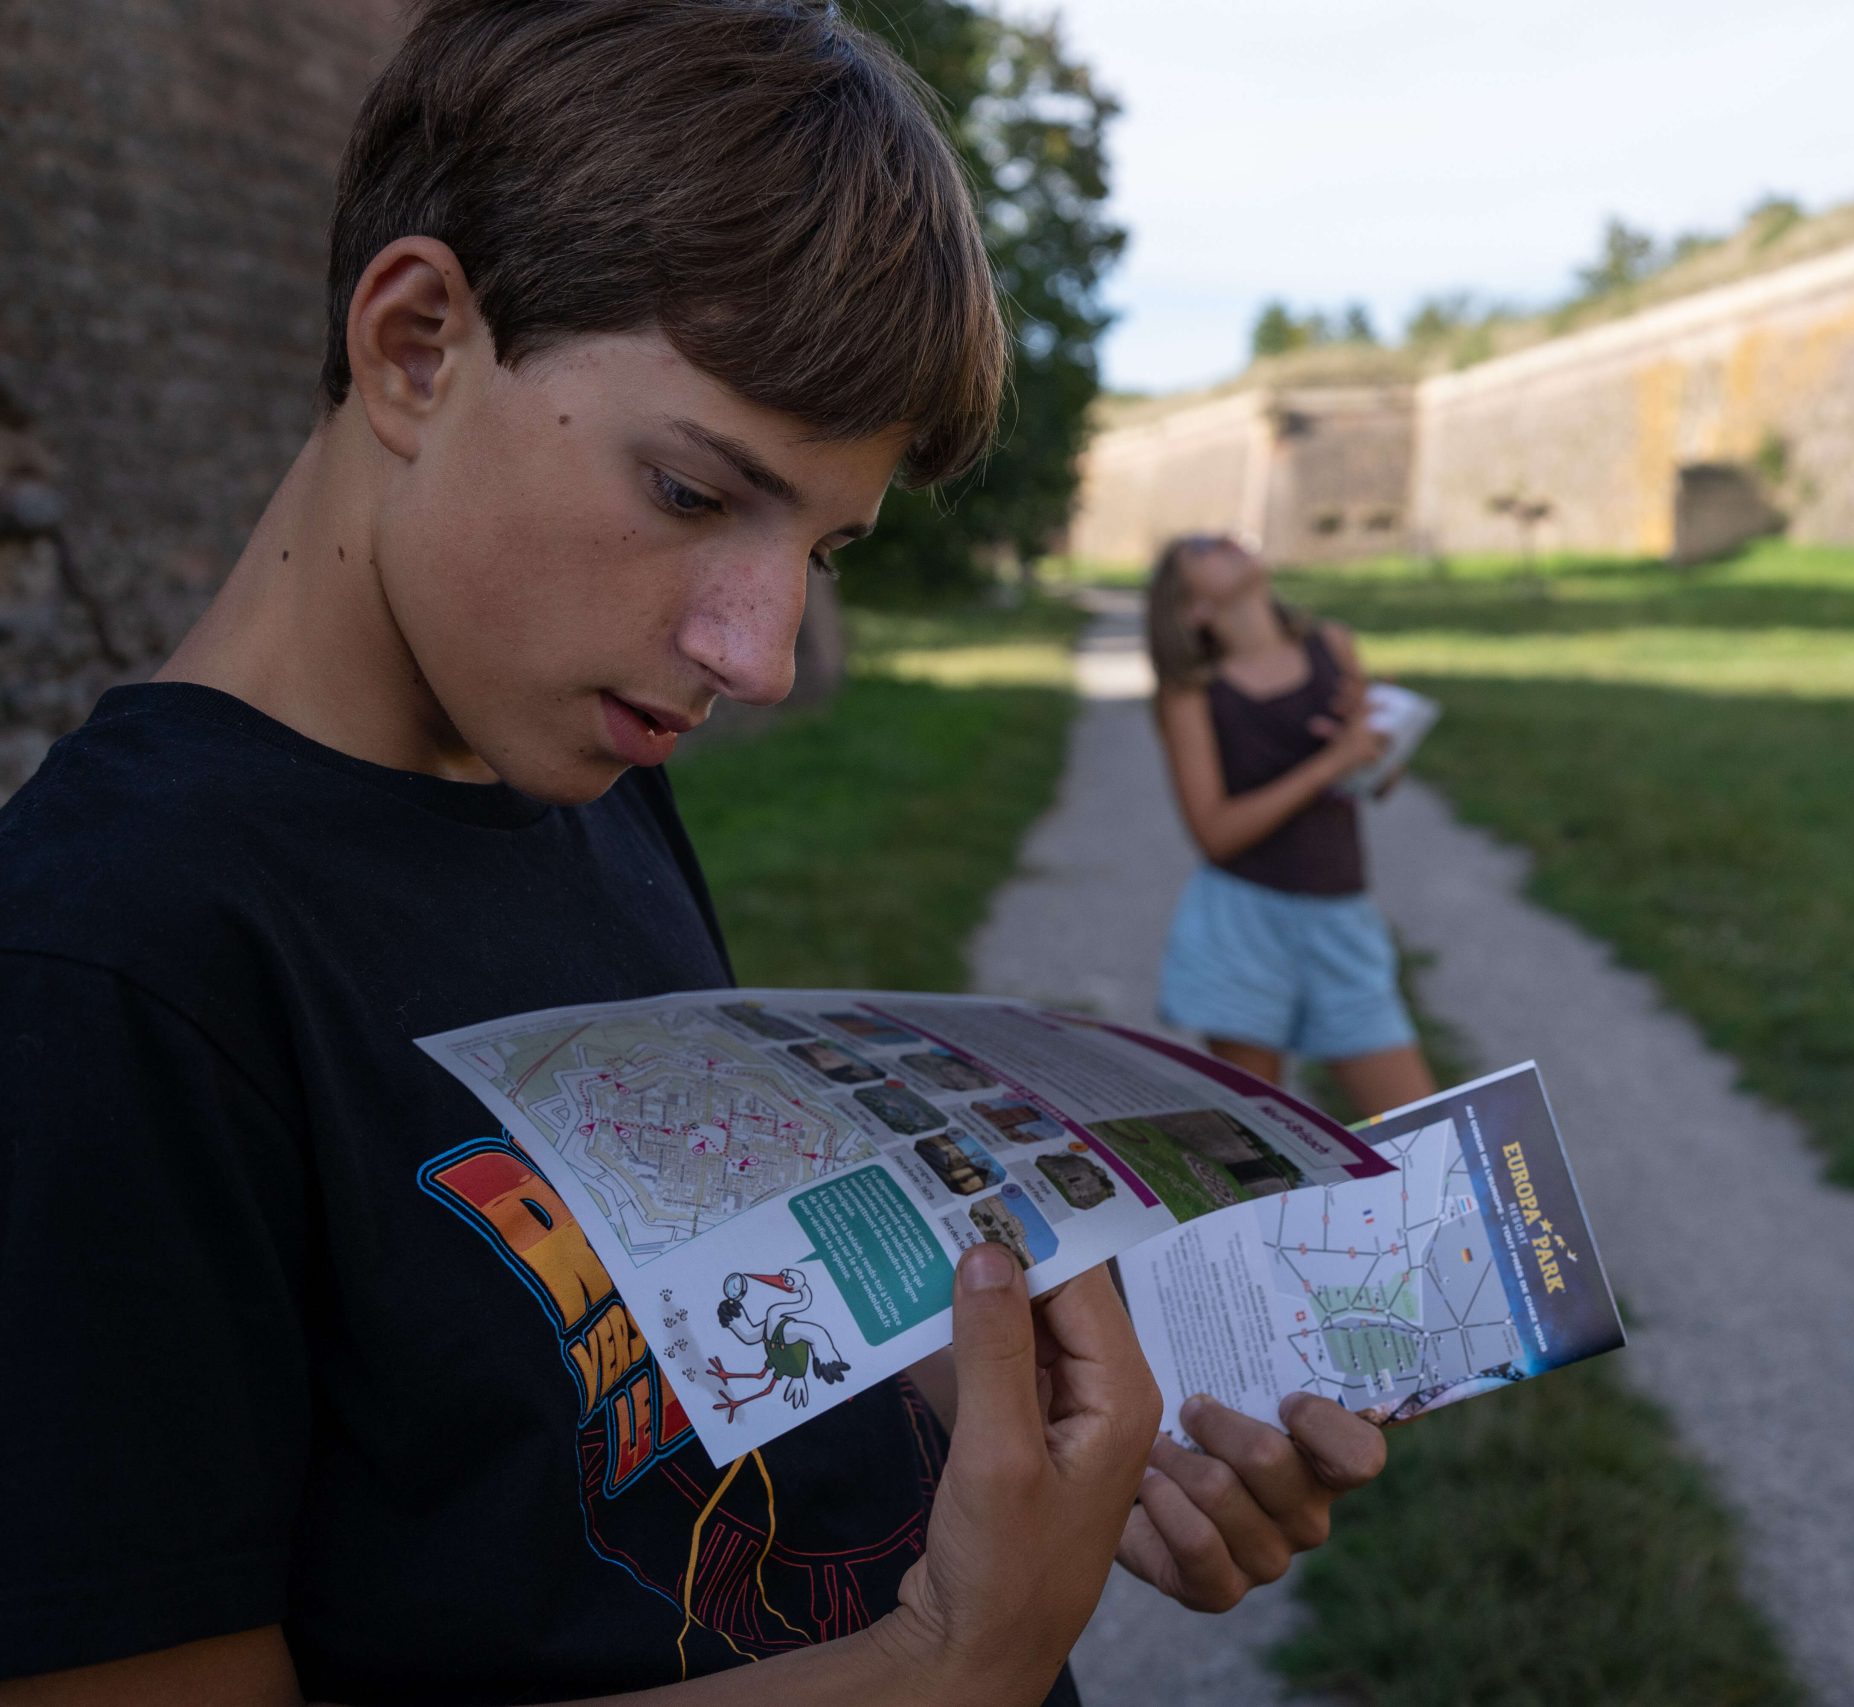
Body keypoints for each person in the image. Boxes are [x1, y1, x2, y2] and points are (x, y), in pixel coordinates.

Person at [0, 5, 1383, 1703]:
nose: (763, 651)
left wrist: (1052, 1420)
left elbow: (686, 1347)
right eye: (689, 491)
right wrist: (950, 1665)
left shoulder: (585, 771)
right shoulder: (98, 970)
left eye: (826, 545)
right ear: (418, 342)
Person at [1145, 533, 1437, 1119]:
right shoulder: (1191, 694)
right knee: (1260, 1145)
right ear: (1192, 609)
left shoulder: (1333, 645)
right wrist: (1330, 761)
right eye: (1200, 547)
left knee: (1425, 1134)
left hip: (1341, 918)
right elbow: (1215, 834)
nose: (1222, 539)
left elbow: (1376, 783)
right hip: (1240, 925)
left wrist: (1375, 746)